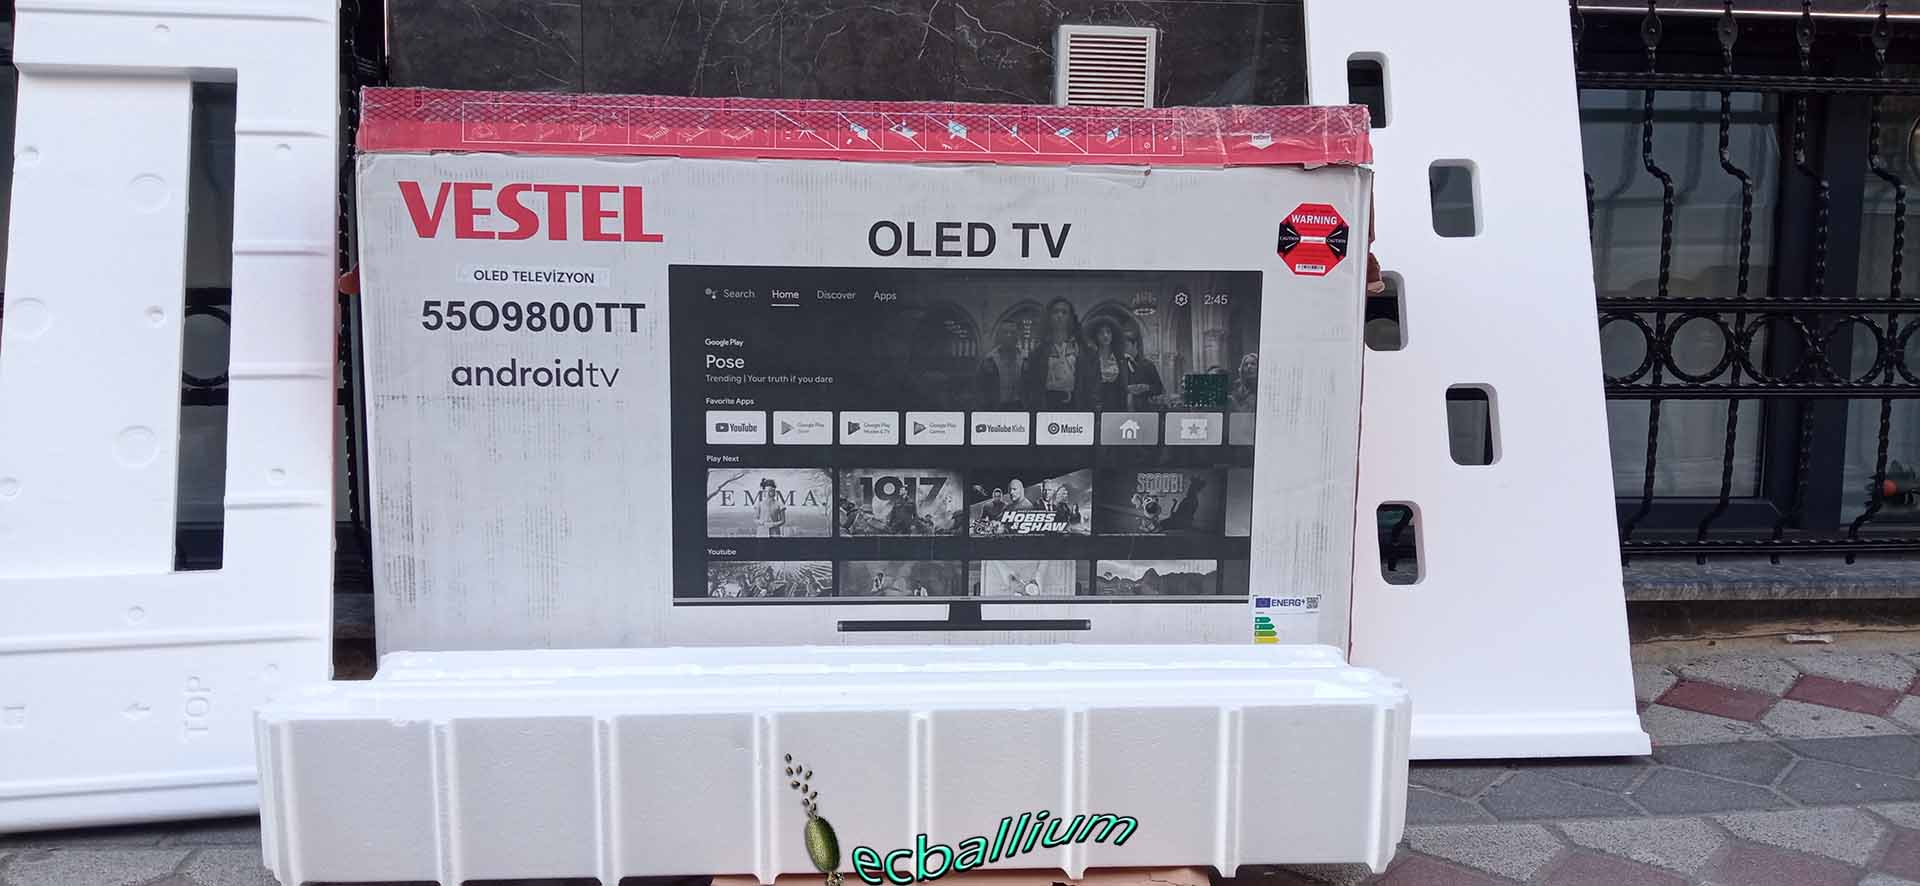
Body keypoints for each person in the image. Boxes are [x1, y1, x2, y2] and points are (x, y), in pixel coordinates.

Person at [1023, 298, 1087, 409]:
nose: (1059, 315)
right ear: (1049, 317)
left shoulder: (1081, 349)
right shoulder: (1038, 352)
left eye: (1064, 312)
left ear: (1070, 317)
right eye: (1056, 312)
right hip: (1048, 404)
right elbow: (1031, 386)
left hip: (1075, 404)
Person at [975, 322, 1026, 410]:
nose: (1009, 335)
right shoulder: (989, 359)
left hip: (1019, 407)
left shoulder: (1025, 358)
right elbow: (979, 386)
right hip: (997, 407)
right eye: (1005, 332)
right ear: (999, 336)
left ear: (1017, 336)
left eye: (1013, 332)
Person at [1087, 322, 1130, 410]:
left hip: (1118, 405)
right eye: (1101, 332)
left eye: (1108, 332)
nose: (1105, 335)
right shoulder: (1090, 359)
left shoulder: (1121, 359)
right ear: (1095, 336)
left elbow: (1126, 385)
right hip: (1096, 406)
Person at [1121, 329, 1164, 410]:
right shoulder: (1120, 366)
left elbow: (1159, 388)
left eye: (1126, 346)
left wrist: (1146, 387)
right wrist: (1126, 389)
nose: (1123, 349)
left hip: (1144, 409)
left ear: (1135, 344)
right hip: (1123, 409)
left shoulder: (1148, 365)